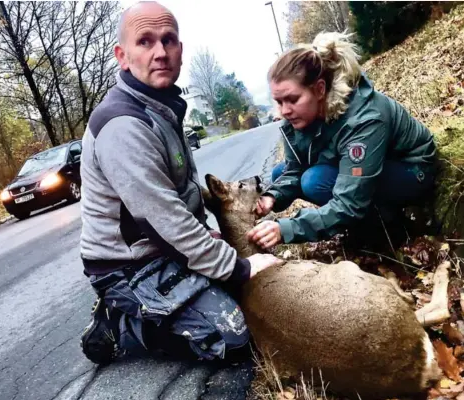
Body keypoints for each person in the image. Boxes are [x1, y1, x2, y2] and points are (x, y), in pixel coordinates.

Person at [79, 1, 281, 365]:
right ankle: (121, 322)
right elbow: (164, 220)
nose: (160, 52)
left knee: (253, 297)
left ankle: (169, 301)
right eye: (145, 41)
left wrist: (215, 245)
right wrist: (239, 267)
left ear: (181, 50)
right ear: (122, 56)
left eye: (168, 40)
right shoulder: (123, 125)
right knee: (231, 336)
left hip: (166, 248)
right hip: (128, 266)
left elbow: (181, 196)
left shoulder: (162, 107)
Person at [247, 32, 436, 250]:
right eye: (279, 102)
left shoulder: (364, 119)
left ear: (319, 89)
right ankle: (362, 222)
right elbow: (294, 168)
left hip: (411, 170)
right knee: (279, 174)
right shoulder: (300, 116)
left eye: (292, 99)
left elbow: (349, 202)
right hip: (368, 167)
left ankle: (386, 228)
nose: (285, 110)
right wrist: (272, 196)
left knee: (314, 180)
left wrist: (286, 229)